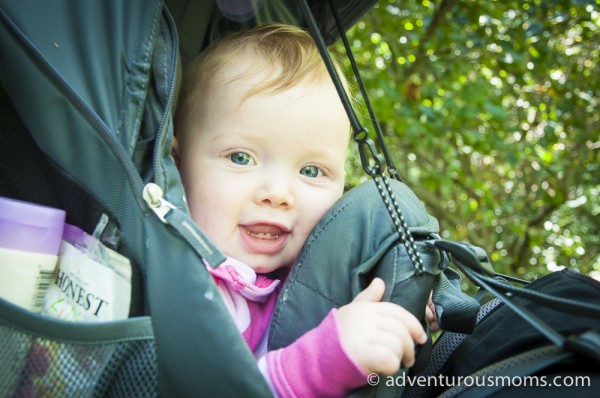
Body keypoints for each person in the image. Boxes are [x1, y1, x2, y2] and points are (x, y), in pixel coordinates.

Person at [173, 23, 428, 397]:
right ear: (176, 166)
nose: (278, 194)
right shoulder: (174, 279)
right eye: (241, 158)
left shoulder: (314, 284)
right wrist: (319, 364)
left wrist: (398, 312)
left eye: (311, 171)